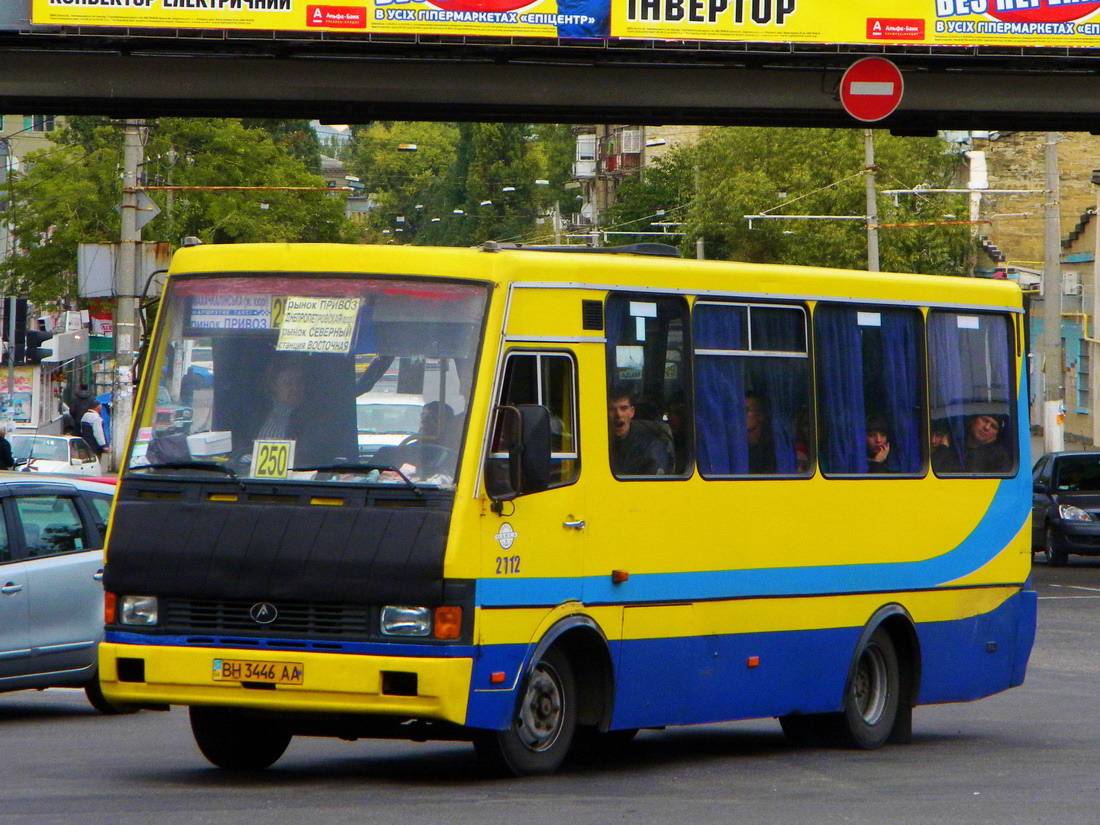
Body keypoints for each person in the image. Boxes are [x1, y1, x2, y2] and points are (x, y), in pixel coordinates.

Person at [608, 388, 673, 476]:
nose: (618, 414)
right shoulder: (597, 441)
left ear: (632, 412)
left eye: (624, 408)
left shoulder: (650, 446)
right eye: (612, 409)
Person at [745, 392, 776, 474]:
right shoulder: (737, 448)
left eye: (746, 410)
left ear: (761, 416)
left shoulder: (772, 448)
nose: (742, 416)